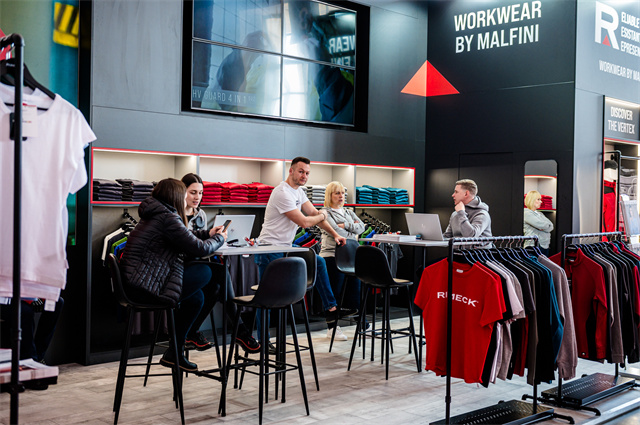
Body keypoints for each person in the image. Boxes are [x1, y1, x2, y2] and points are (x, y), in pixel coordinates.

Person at [120, 178, 230, 372]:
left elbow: (185, 238)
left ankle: (175, 352)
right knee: (209, 271)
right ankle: (238, 329)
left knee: (197, 298)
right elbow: (199, 248)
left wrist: (208, 233)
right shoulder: (167, 217)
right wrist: (220, 238)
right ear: (176, 196)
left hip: (139, 282)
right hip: (146, 287)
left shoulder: (157, 214)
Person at [254, 157, 356, 346]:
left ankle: (331, 308)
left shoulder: (299, 192)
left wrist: (335, 234)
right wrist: (323, 214)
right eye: (301, 171)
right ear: (291, 171)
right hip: (269, 248)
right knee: (266, 297)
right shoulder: (282, 192)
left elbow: (315, 214)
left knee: (318, 261)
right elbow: (305, 222)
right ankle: (263, 342)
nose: (304, 176)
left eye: (307, 173)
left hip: (286, 246)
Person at [181, 173, 260, 353]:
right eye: (193, 192)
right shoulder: (176, 215)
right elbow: (189, 245)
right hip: (181, 267)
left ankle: (192, 331)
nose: (197, 197)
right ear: (182, 192)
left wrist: (217, 239)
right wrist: (211, 240)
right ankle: (240, 330)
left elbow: (200, 244)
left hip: (198, 264)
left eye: (200, 193)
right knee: (221, 273)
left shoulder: (200, 214)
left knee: (217, 287)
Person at [319, 181, 366, 341]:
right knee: (335, 292)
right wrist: (350, 229)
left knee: (355, 290)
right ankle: (332, 328)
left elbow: (362, 227)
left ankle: (362, 323)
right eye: (337, 193)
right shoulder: (324, 213)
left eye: (342, 193)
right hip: (331, 255)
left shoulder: (348, 212)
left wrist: (345, 225)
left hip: (350, 256)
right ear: (330, 195)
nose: (341, 196)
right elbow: (337, 232)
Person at [523, 190, 554, 256]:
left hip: (544, 246)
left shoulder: (540, 213)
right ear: (532, 200)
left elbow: (551, 226)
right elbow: (541, 225)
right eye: (538, 199)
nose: (541, 202)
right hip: (533, 246)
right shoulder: (526, 213)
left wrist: (544, 227)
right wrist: (545, 226)